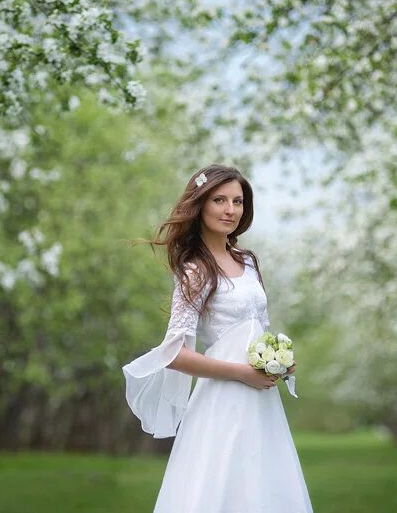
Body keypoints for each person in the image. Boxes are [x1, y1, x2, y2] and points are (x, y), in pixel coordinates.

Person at [122, 164, 314, 513]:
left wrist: (279, 361)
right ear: (201, 206)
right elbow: (176, 354)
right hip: (223, 399)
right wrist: (242, 373)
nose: (230, 210)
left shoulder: (248, 262)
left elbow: (258, 329)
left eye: (238, 201)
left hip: (261, 399)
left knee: (264, 484)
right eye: (219, 200)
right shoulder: (195, 270)